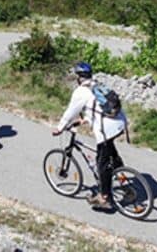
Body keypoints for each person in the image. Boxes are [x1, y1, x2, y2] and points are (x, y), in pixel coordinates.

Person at [52, 62, 128, 210]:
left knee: (102, 163)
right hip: (120, 123)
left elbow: (70, 112)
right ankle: (124, 183)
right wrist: (85, 119)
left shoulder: (80, 92)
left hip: (107, 130)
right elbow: (97, 107)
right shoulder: (97, 85)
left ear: (78, 77)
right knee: (112, 155)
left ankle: (104, 198)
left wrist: (59, 128)